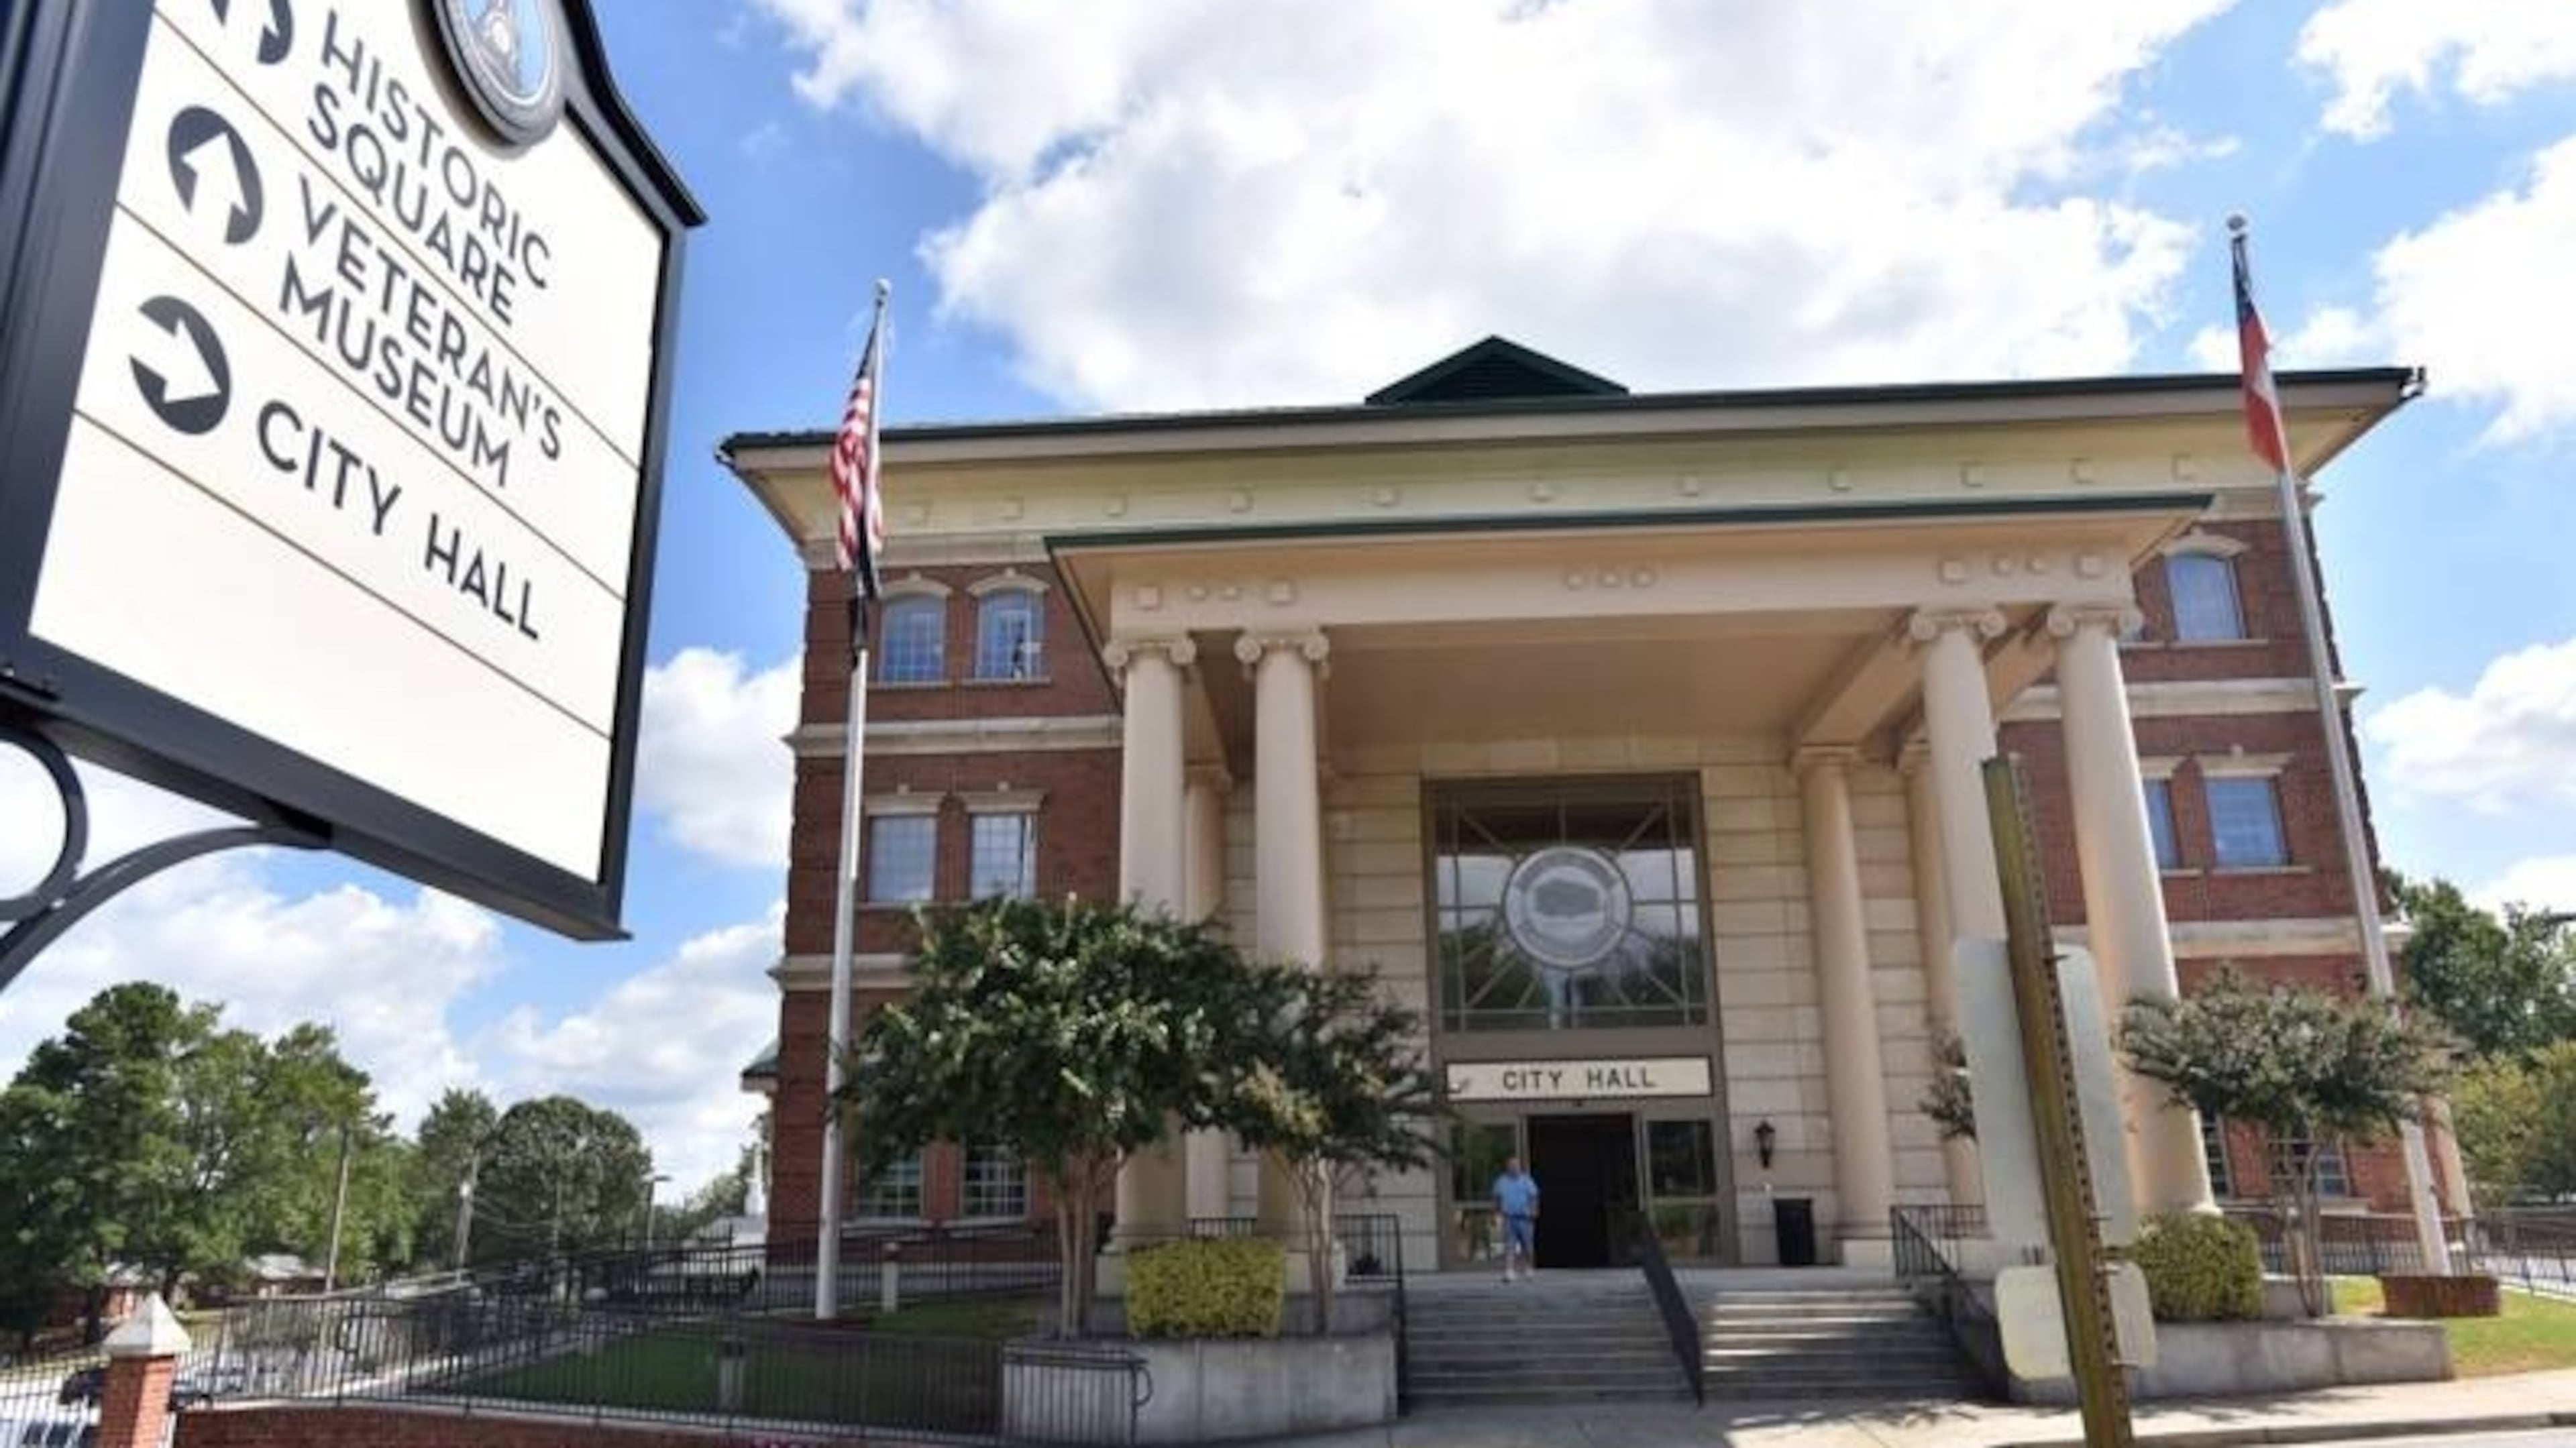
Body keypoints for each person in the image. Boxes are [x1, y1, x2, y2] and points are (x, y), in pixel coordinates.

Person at [1491, 1156, 1540, 1282]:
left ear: (1519, 1167)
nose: (1513, 1168)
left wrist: (1534, 1211)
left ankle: (1528, 1268)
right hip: (1508, 1218)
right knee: (1510, 1245)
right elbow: (1497, 1199)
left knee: (1528, 1246)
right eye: (1511, 1165)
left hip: (1525, 1218)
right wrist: (1495, 1214)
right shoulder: (1501, 1181)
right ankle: (1509, 1271)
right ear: (1507, 1167)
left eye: (1515, 1165)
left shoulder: (1526, 1181)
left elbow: (1533, 1197)